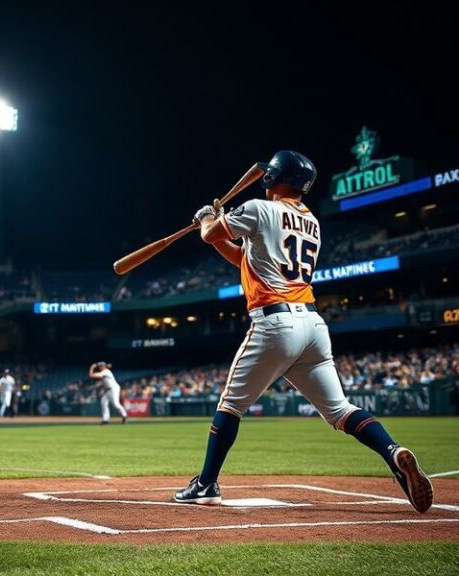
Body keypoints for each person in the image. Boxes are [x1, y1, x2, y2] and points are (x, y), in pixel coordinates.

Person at [174, 151, 433, 513]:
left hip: (274, 323)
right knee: (341, 409)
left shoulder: (258, 209)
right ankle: (392, 452)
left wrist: (207, 218)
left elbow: (211, 234)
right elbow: (242, 258)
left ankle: (205, 484)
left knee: (230, 405)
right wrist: (215, 224)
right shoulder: (310, 220)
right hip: (312, 326)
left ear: (273, 178)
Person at [88, 361, 128, 425]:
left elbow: (91, 375)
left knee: (116, 404)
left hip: (114, 388)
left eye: (101, 366)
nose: (99, 367)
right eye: (99, 366)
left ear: (104, 366)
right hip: (109, 390)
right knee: (103, 402)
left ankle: (124, 415)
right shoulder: (104, 372)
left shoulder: (106, 371)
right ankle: (105, 420)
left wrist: (92, 367)